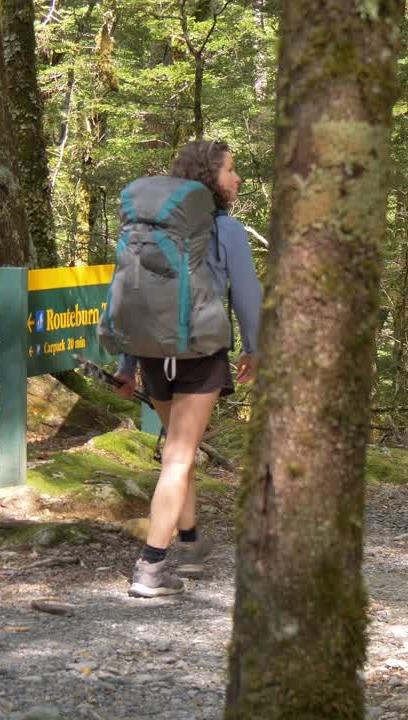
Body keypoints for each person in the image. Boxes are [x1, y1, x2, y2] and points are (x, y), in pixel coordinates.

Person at [114, 140, 261, 598]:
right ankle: (151, 566)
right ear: (211, 178)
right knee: (178, 457)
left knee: (181, 452)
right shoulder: (226, 229)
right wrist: (255, 349)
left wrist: (126, 364)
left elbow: (129, 292)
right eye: (231, 170)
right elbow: (247, 296)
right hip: (200, 353)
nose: (237, 178)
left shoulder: (150, 229)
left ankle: (192, 545)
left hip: (152, 353)